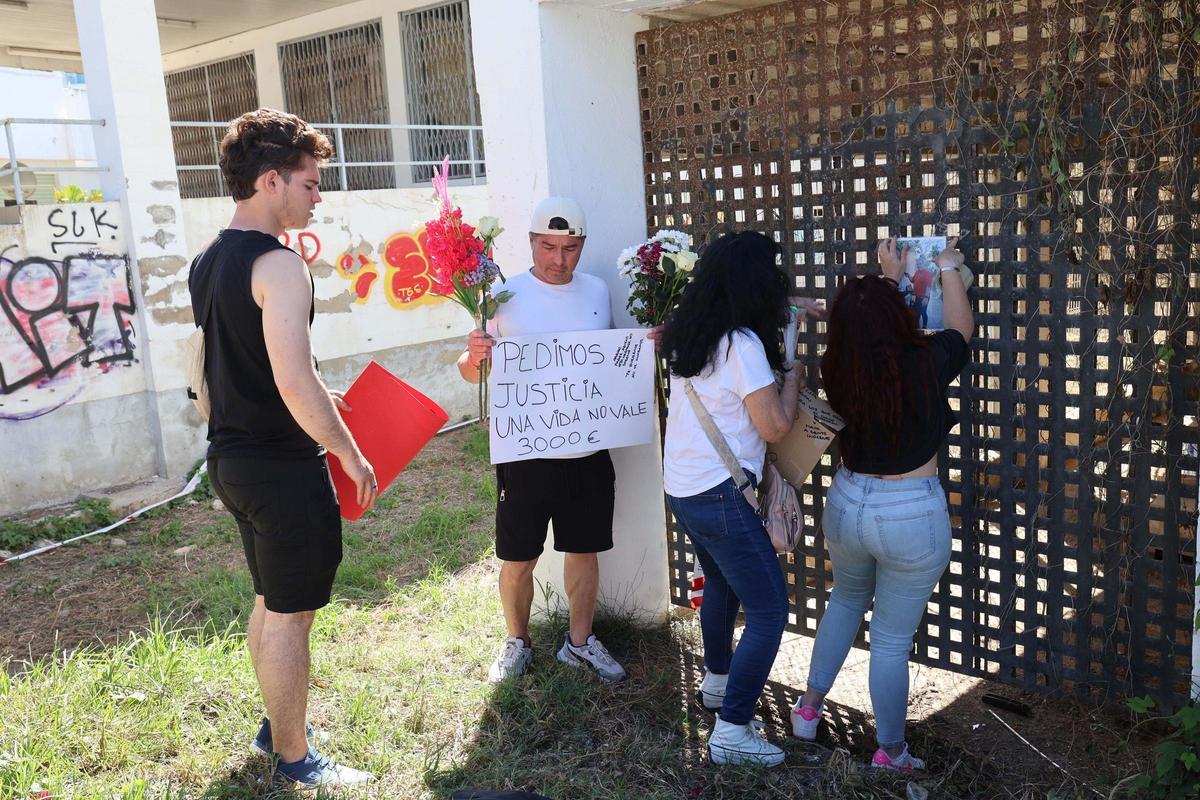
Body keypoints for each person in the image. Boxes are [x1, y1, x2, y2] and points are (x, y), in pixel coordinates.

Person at [188, 108, 378, 787]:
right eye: (309, 182)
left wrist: (326, 405)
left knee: (272, 599)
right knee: (291, 617)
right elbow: (294, 382)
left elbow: (255, 365)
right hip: (280, 466)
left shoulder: (209, 260)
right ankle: (297, 760)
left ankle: (278, 727)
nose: (317, 195)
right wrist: (352, 454)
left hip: (230, 462)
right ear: (270, 181)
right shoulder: (281, 265)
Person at [790, 236, 972, 773]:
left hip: (848, 502)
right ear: (900, 318)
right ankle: (891, 752)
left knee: (844, 603)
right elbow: (961, 329)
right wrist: (946, 265)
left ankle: (807, 710)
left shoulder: (837, 367)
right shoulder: (926, 361)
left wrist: (888, 281)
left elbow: (870, 334)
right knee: (890, 641)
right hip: (909, 513)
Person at [660, 230, 822, 767]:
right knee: (770, 609)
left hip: (684, 489)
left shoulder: (693, 332)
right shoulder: (744, 347)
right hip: (722, 496)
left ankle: (716, 684)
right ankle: (731, 730)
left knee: (723, 589)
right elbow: (775, 427)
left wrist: (793, 309)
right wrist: (793, 379)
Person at [457, 197, 627, 684]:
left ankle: (580, 642)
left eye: (570, 248)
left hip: (589, 450)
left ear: (582, 247)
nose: (559, 259)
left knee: (585, 549)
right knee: (518, 556)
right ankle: (517, 641)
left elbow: (608, 359)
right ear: (531, 243)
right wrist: (473, 358)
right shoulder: (502, 295)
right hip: (527, 454)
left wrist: (642, 348)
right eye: (548, 247)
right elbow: (471, 375)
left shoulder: (596, 290)